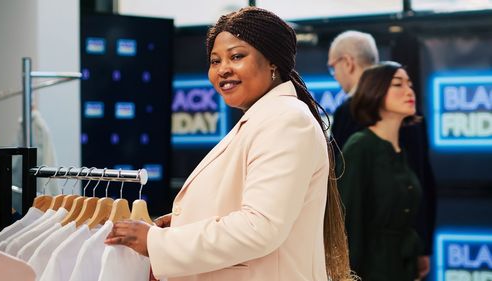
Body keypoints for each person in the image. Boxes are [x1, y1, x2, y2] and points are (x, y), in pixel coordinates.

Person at [105, 7, 354, 281]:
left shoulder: (286, 120)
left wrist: (156, 242)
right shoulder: (266, 118)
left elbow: (260, 227)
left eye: (236, 56)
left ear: (273, 62)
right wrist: (187, 222)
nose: (222, 70)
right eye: (215, 61)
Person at [328, 30, 435, 279]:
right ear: (377, 91)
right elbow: (348, 211)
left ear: (348, 62)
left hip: (403, 261)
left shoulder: (402, 145)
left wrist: (421, 245)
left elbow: (424, 184)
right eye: (398, 84)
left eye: (409, 84)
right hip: (371, 264)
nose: (410, 92)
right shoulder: (360, 145)